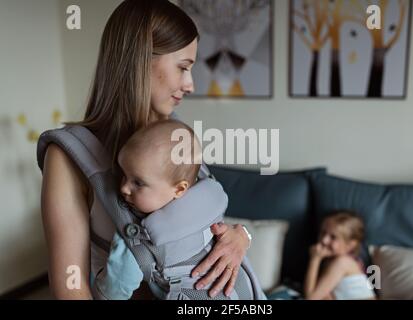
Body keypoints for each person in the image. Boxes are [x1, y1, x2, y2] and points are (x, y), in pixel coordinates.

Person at [40, 0, 251, 300]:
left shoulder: (173, 136)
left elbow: (197, 224)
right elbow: (69, 288)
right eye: (182, 68)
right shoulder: (68, 156)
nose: (190, 85)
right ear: (138, 60)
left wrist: (241, 237)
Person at [93, 119, 263, 300]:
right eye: (124, 175)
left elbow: (112, 292)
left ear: (179, 189)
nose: (124, 188)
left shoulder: (137, 241)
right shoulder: (209, 204)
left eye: (138, 182)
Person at [304, 211, 376, 300]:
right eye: (323, 232)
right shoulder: (331, 261)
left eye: (333, 237)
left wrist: (314, 259)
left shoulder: (342, 262)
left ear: (350, 245)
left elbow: (311, 298)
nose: (324, 240)